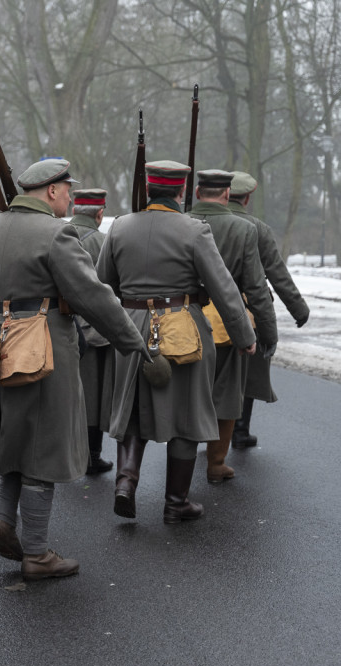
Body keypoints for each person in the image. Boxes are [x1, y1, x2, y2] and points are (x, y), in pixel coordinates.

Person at [0, 159, 149, 580]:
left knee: (14, 438)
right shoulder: (56, 232)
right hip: (42, 348)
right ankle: (37, 553)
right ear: (50, 192)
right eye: (67, 191)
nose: (71, 198)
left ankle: (4, 522)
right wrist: (131, 342)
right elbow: (93, 296)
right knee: (43, 445)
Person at [96, 160, 255, 524]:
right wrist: (244, 335)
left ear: (149, 188)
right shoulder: (194, 230)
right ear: (182, 191)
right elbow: (223, 288)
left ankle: (126, 480)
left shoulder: (119, 227)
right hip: (183, 327)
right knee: (186, 415)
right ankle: (175, 502)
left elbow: (104, 281)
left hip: (132, 326)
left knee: (134, 410)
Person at [188, 170, 277, 482]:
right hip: (231, 321)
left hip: (186, 321)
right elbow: (256, 287)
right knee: (226, 396)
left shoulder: (182, 223)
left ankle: (182, 468)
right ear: (227, 195)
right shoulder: (243, 228)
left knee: (189, 394)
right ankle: (216, 463)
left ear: (197, 192)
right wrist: (267, 332)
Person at [228, 171, 311, 448]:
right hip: (249, 310)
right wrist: (299, 309)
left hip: (206, 310)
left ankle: (214, 435)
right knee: (248, 370)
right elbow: (277, 273)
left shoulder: (199, 221)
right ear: (247, 198)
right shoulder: (257, 228)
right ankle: (239, 431)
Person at [69, 188, 115, 475]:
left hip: (59, 328)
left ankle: (67, 454)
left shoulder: (56, 235)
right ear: (99, 214)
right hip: (95, 330)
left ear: (74, 209)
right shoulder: (103, 241)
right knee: (94, 396)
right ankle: (91, 456)